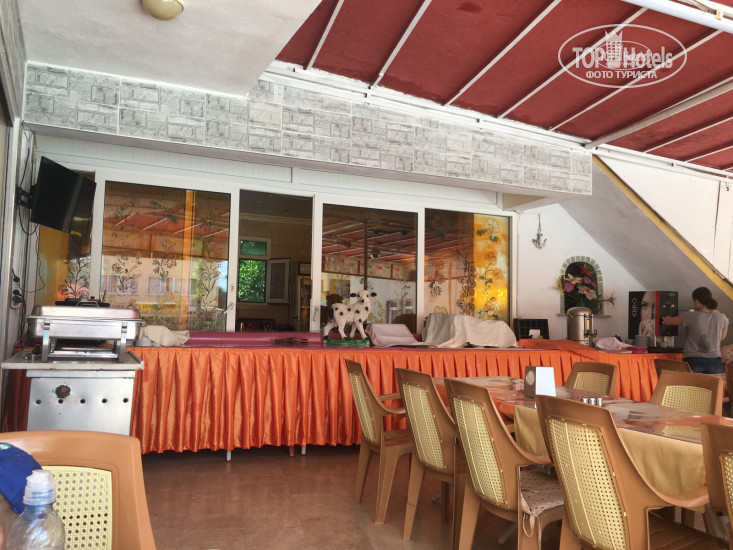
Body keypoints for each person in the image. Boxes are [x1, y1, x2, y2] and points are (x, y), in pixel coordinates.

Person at [662, 287, 729, 374]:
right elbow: (721, 338)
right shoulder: (722, 317)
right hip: (715, 362)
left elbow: (668, 322)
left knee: (692, 383)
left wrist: (666, 319)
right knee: (713, 383)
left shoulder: (690, 315)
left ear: (697, 301)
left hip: (693, 360)